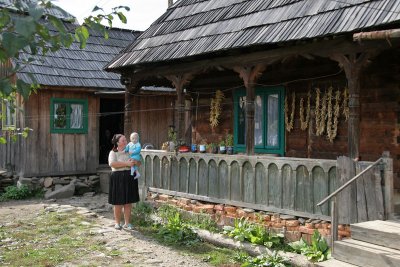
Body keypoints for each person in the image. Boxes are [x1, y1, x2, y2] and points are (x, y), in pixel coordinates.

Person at [108, 134, 140, 230]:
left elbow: (139, 163)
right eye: (123, 140)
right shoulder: (113, 152)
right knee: (118, 202)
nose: (126, 142)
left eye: (126, 140)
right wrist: (126, 163)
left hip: (129, 177)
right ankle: (117, 223)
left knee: (128, 202)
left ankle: (127, 223)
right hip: (118, 178)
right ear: (117, 143)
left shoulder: (130, 152)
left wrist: (135, 162)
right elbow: (112, 164)